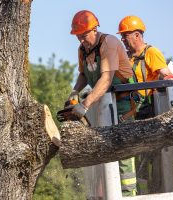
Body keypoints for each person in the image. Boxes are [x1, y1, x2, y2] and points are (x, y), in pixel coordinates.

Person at [67, 10, 137, 196]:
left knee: (123, 149)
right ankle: (102, 194)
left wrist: (84, 105)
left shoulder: (109, 43)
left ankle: (129, 194)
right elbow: (84, 75)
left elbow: (106, 79)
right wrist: (75, 92)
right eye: (78, 36)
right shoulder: (82, 50)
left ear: (95, 29)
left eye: (84, 35)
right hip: (102, 101)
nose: (81, 40)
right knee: (100, 147)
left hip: (123, 103)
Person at [117, 15, 173, 194]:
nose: (123, 40)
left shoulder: (151, 53)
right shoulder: (127, 58)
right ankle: (140, 194)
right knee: (134, 161)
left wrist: (163, 84)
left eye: (125, 36)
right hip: (130, 116)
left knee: (149, 160)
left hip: (148, 114)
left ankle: (151, 193)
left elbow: (169, 76)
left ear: (137, 35)